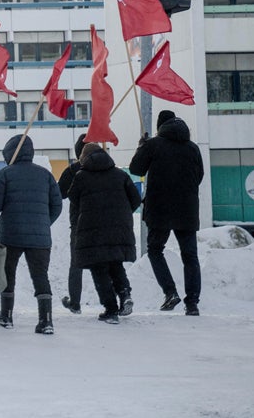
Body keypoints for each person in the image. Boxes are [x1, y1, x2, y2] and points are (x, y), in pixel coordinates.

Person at [130, 111, 204, 316]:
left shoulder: (153, 145)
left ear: (160, 126)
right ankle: (192, 303)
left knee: (155, 250)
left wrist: (142, 147)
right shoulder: (193, 148)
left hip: (159, 208)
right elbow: (199, 176)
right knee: (190, 256)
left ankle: (170, 292)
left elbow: (136, 169)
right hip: (187, 209)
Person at [0, 134, 63, 335]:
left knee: (7, 274)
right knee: (40, 275)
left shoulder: (3, 175)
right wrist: (43, 223)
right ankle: (46, 321)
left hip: (11, 235)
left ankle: (6, 316)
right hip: (40, 237)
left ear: (9, 154)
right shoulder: (46, 175)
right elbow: (57, 205)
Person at [68, 141, 143, 324]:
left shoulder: (81, 177)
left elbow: (73, 198)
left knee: (99, 268)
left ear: (84, 158)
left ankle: (111, 309)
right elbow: (135, 199)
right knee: (116, 264)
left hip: (92, 229)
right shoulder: (120, 175)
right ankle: (125, 294)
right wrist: (121, 213)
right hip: (119, 227)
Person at [57, 134, 90, 314]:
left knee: (76, 263)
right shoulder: (108, 168)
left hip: (79, 221)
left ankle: (75, 302)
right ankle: (116, 300)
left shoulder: (72, 171)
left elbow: (60, 194)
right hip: (104, 222)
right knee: (107, 263)